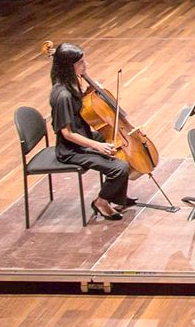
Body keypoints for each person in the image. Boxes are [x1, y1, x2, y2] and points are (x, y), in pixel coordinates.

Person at [48, 43, 132, 221]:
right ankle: (101, 202)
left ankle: (117, 195)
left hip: (84, 135)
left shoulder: (72, 82)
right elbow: (68, 134)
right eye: (80, 63)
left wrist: (90, 84)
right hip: (71, 149)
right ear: (68, 67)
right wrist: (98, 146)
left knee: (119, 141)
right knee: (120, 167)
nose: (86, 65)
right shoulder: (62, 96)